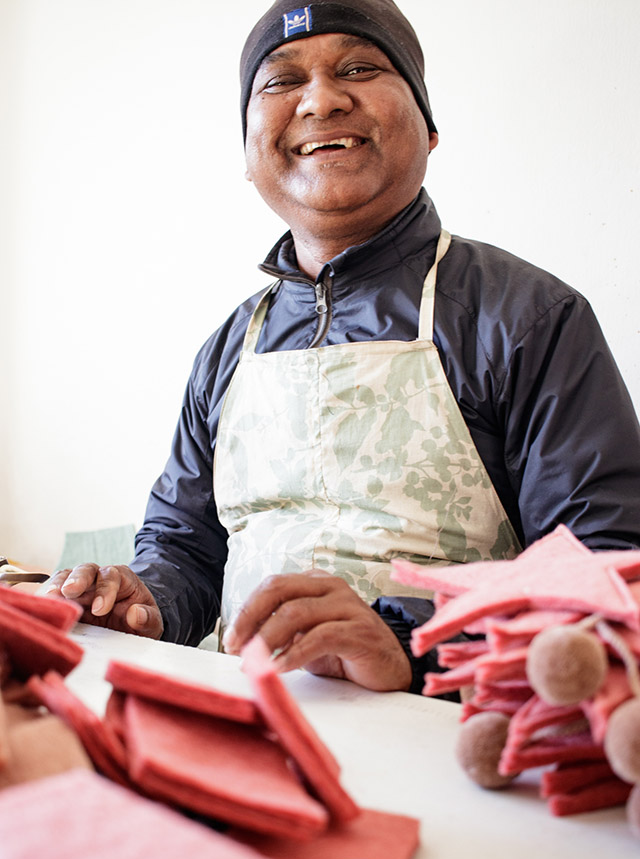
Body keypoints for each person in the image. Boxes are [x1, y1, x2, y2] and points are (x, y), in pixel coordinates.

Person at [46, 0, 640, 694]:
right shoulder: (225, 351)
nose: (322, 99)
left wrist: (406, 639)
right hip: (246, 719)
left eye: (359, 67)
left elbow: (604, 562)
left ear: (430, 128)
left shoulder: (530, 317)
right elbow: (184, 551)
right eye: (281, 81)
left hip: (456, 730)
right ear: (247, 151)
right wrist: (143, 602)